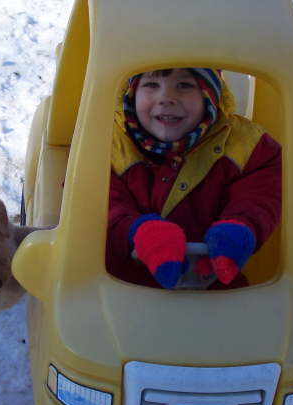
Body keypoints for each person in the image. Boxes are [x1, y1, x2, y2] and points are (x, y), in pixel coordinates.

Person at [106, 68, 282, 290]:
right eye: (151, 85)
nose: (166, 98)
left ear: (210, 94)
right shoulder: (106, 142)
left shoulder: (247, 147)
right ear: (131, 92)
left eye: (185, 85)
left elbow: (259, 195)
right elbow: (96, 202)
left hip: (214, 284)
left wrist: (239, 229)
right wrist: (136, 232)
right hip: (122, 287)